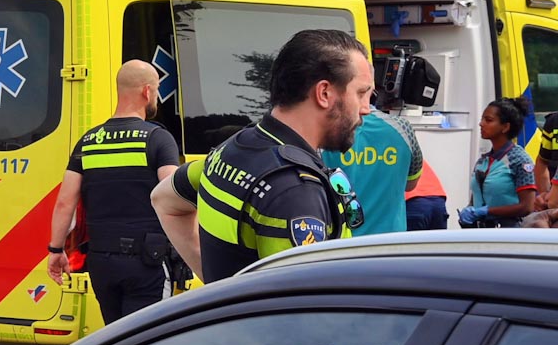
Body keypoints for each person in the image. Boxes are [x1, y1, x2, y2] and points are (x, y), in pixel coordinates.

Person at [153, 27, 372, 283]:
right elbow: (299, 314)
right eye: (360, 93)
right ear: (324, 93)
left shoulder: (233, 149)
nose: (367, 109)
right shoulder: (294, 192)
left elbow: (164, 199)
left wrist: (216, 289)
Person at [46, 61, 180, 323]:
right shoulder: (157, 138)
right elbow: (172, 195)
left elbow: (65, 203)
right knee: (146, 342)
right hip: (147, 262)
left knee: (116, 339)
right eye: (156, 90)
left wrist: (55, 250)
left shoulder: (89, 141)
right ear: (146, 92)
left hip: (102, 262)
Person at [321, 95, 422, 237]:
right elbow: (411, 184)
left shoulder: (325, 132)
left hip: (342, 244)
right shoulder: (403, 129)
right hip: (391, 243)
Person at [459, 97, 538, 228]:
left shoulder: (519, 160)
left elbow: (527, 207)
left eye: (488, 120)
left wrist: (487, 212)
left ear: (505, 127)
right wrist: (468, 212)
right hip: (478, 232)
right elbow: (476, 198)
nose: (481, 124)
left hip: (506, 233)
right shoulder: (483, 161)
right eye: (482, 119)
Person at [405, 157, 449, 231]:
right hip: (438, 202)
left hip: (414, 202)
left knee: (412, 242)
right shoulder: (414, 156)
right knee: (437, 242)